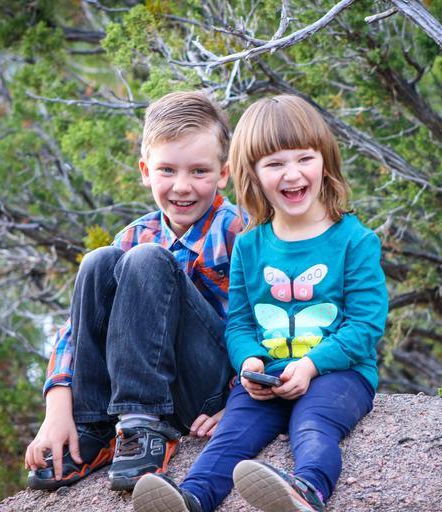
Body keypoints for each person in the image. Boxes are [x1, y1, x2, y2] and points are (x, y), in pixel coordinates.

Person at [131, 94, 389, 512]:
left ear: (325, 160)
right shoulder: (250, 244)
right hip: (267, 378)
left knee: (313, 425)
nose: (292, 174)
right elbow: (239, 324)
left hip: (338, 375)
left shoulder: (354, 240)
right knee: (231, 436)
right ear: (251, 173)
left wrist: (310, 366)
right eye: (274, 164)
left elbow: (364, 326)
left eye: (304, 158)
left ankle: (306, 491)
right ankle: (192, 498)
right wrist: (249, 362)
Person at [24, 91, 245, 492]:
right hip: (141, 391)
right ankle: (93, 427)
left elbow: (265, 321)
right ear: (145, 170)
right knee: (99, 262)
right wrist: (57, 407)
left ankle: (145, 427)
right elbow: (76, 329)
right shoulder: (136, 233)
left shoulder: (238, 231)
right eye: (167, 170)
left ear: (223, 173)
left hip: (207, 392)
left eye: (199, 171)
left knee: (147, 259)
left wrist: (240, 402)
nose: (182, 186)